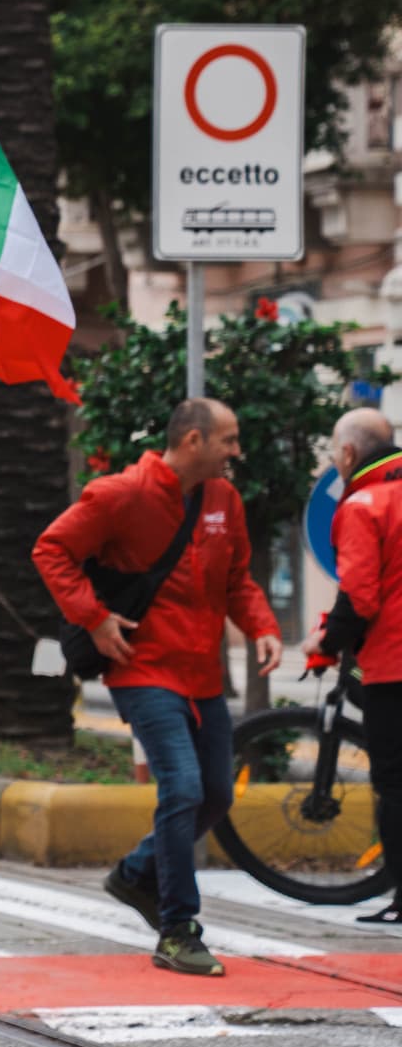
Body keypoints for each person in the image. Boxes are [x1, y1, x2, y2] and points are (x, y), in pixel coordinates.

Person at [34, 397, 282, 977]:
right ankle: (177, 929)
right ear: (193, 441)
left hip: (202, 673)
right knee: (185, 787)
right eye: (229, 440)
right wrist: (92, 617)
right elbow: (52, 549)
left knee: (217, 793)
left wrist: (264, 628)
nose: (237, 452)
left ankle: (135, 873)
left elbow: (238, 578)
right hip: (141, 666)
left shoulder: (224, 500)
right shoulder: (121, 494)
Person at [301, 407, 402, 925]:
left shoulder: (365, 504)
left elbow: (360, 595)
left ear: (346, 454)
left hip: (394, 665)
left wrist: (328, 641)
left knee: (394, 780)